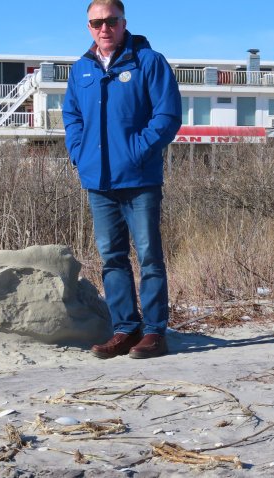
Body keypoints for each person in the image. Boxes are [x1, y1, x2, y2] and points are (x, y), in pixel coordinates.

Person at [63, 0, 181, 359]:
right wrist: (79, 155)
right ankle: (125, 329)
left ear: (123, 22)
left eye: (111, 20)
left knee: (148, 257)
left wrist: (136, 151)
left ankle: (155, 332)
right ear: (88, 27)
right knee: (112, 257)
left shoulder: (149, 62)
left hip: (139, 179)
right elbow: (72, 117)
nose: (104, 28)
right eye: (96, 22)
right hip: (98, 182)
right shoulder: (81, 69)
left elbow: (167, 116)